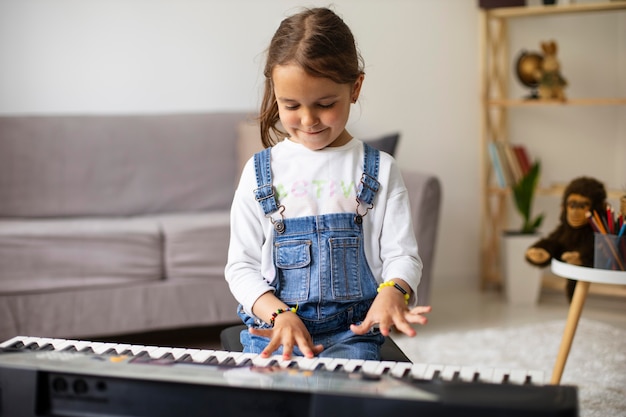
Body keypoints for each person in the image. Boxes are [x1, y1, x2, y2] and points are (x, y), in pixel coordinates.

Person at [224, 7, 431, 361]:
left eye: (324, 104)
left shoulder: (379, 169)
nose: (308, 120)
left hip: (352, 333)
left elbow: (402, 254)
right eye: (290, 105)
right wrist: (278, 314)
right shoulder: (260, 170)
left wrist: (394, 291)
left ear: (355, 87)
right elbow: (240, 267)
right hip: (275, 328)